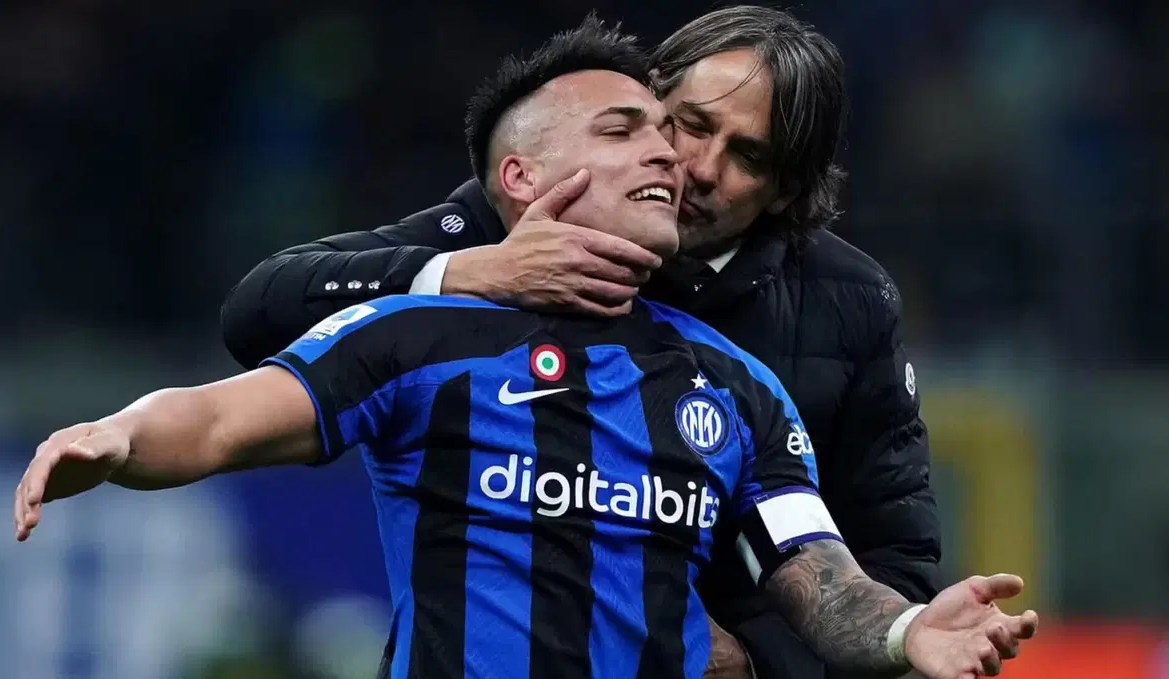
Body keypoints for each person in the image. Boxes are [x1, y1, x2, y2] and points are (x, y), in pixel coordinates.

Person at [17, 17, 1036, 679]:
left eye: (746, 157)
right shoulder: (433, 310)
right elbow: (229, 393)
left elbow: (841, 564)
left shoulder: (764, 369)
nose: (686, 163)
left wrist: (889, 634)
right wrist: (118, 436)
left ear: (785, 192)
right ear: (523, 182)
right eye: (668, 125)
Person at [219, 7, 937, 678]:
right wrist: (472, 270)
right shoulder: (521, 218)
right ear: (649, 103)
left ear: (785, 191)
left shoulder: (849, 302)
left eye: (748, 156)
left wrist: (752, 658)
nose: (700, 168)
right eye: (689, 125)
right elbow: (260, 309)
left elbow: (898, 566)